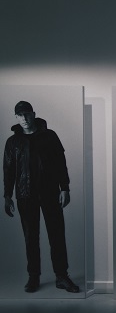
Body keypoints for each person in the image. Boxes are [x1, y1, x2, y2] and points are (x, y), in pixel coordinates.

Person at [3, 101, 80, 293]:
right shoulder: (12, 142)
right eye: (20, 115)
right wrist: (7, 195)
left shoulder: (50, 136)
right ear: (16, 117)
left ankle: (62, 276)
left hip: (50, 192)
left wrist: (65, 188)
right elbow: (8, 170)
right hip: (25, 194)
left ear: (34, 114)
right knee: (31, 236)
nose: (24, 118)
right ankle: (33, 277)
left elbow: (61, 163)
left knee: (57, 234)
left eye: (27, 114)